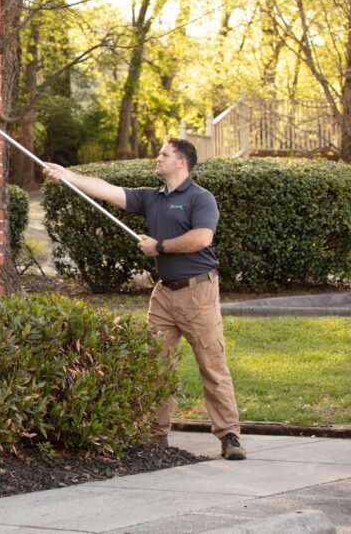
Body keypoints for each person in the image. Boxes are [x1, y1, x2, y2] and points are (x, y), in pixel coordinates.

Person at [43, 137, 246, 460]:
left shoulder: (200, 199)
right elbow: (107, 189)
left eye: (164, 154)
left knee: (212, 364)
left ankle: (229, 436)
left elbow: (202, 238)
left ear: (182, 162)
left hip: (199, 292)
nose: (158, 158)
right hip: (164, 293)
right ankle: (154, 436)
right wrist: (67, 174)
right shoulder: (150, 198)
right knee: (155, 365)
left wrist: (160, 247)